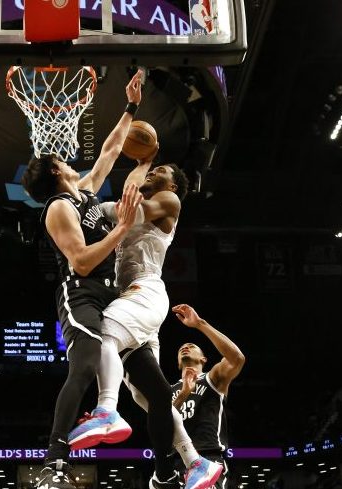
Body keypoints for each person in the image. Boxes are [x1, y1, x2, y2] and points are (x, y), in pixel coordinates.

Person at [65, 155, 224, 489]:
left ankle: (106, 408)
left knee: (102, 332)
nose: (155, 171)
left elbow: (130, 212)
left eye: (162, 171)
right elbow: (105, 210)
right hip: (133, 303)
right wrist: (82, 206)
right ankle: (196, 462)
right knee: (152, 398)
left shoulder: (168, 199)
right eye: (155, 167)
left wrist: (101, 212)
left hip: (144, 291)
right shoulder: (142, 195)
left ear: (173, 185)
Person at [21, 70, 145, 489]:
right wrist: (121, 229)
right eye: (61, 161)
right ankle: (53, 461)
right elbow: (83, 262)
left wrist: (131, 106)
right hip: (81, 295)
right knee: (86, 364)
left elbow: (110, 151)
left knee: (138, 363)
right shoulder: (58, 208)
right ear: (56, 173)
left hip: (109, 293)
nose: (68, 161)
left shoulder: (84, 193)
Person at [171, 305, 246, 489]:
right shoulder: (170, 390)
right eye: (182, 347)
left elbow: (237, 358)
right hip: (176, 462)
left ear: (203, 359)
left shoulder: (213, 378)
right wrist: (183, 395)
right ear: (178, 362)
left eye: (191, 346)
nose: (186, 347)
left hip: (208, 458)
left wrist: (200, 324)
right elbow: (160, 426)